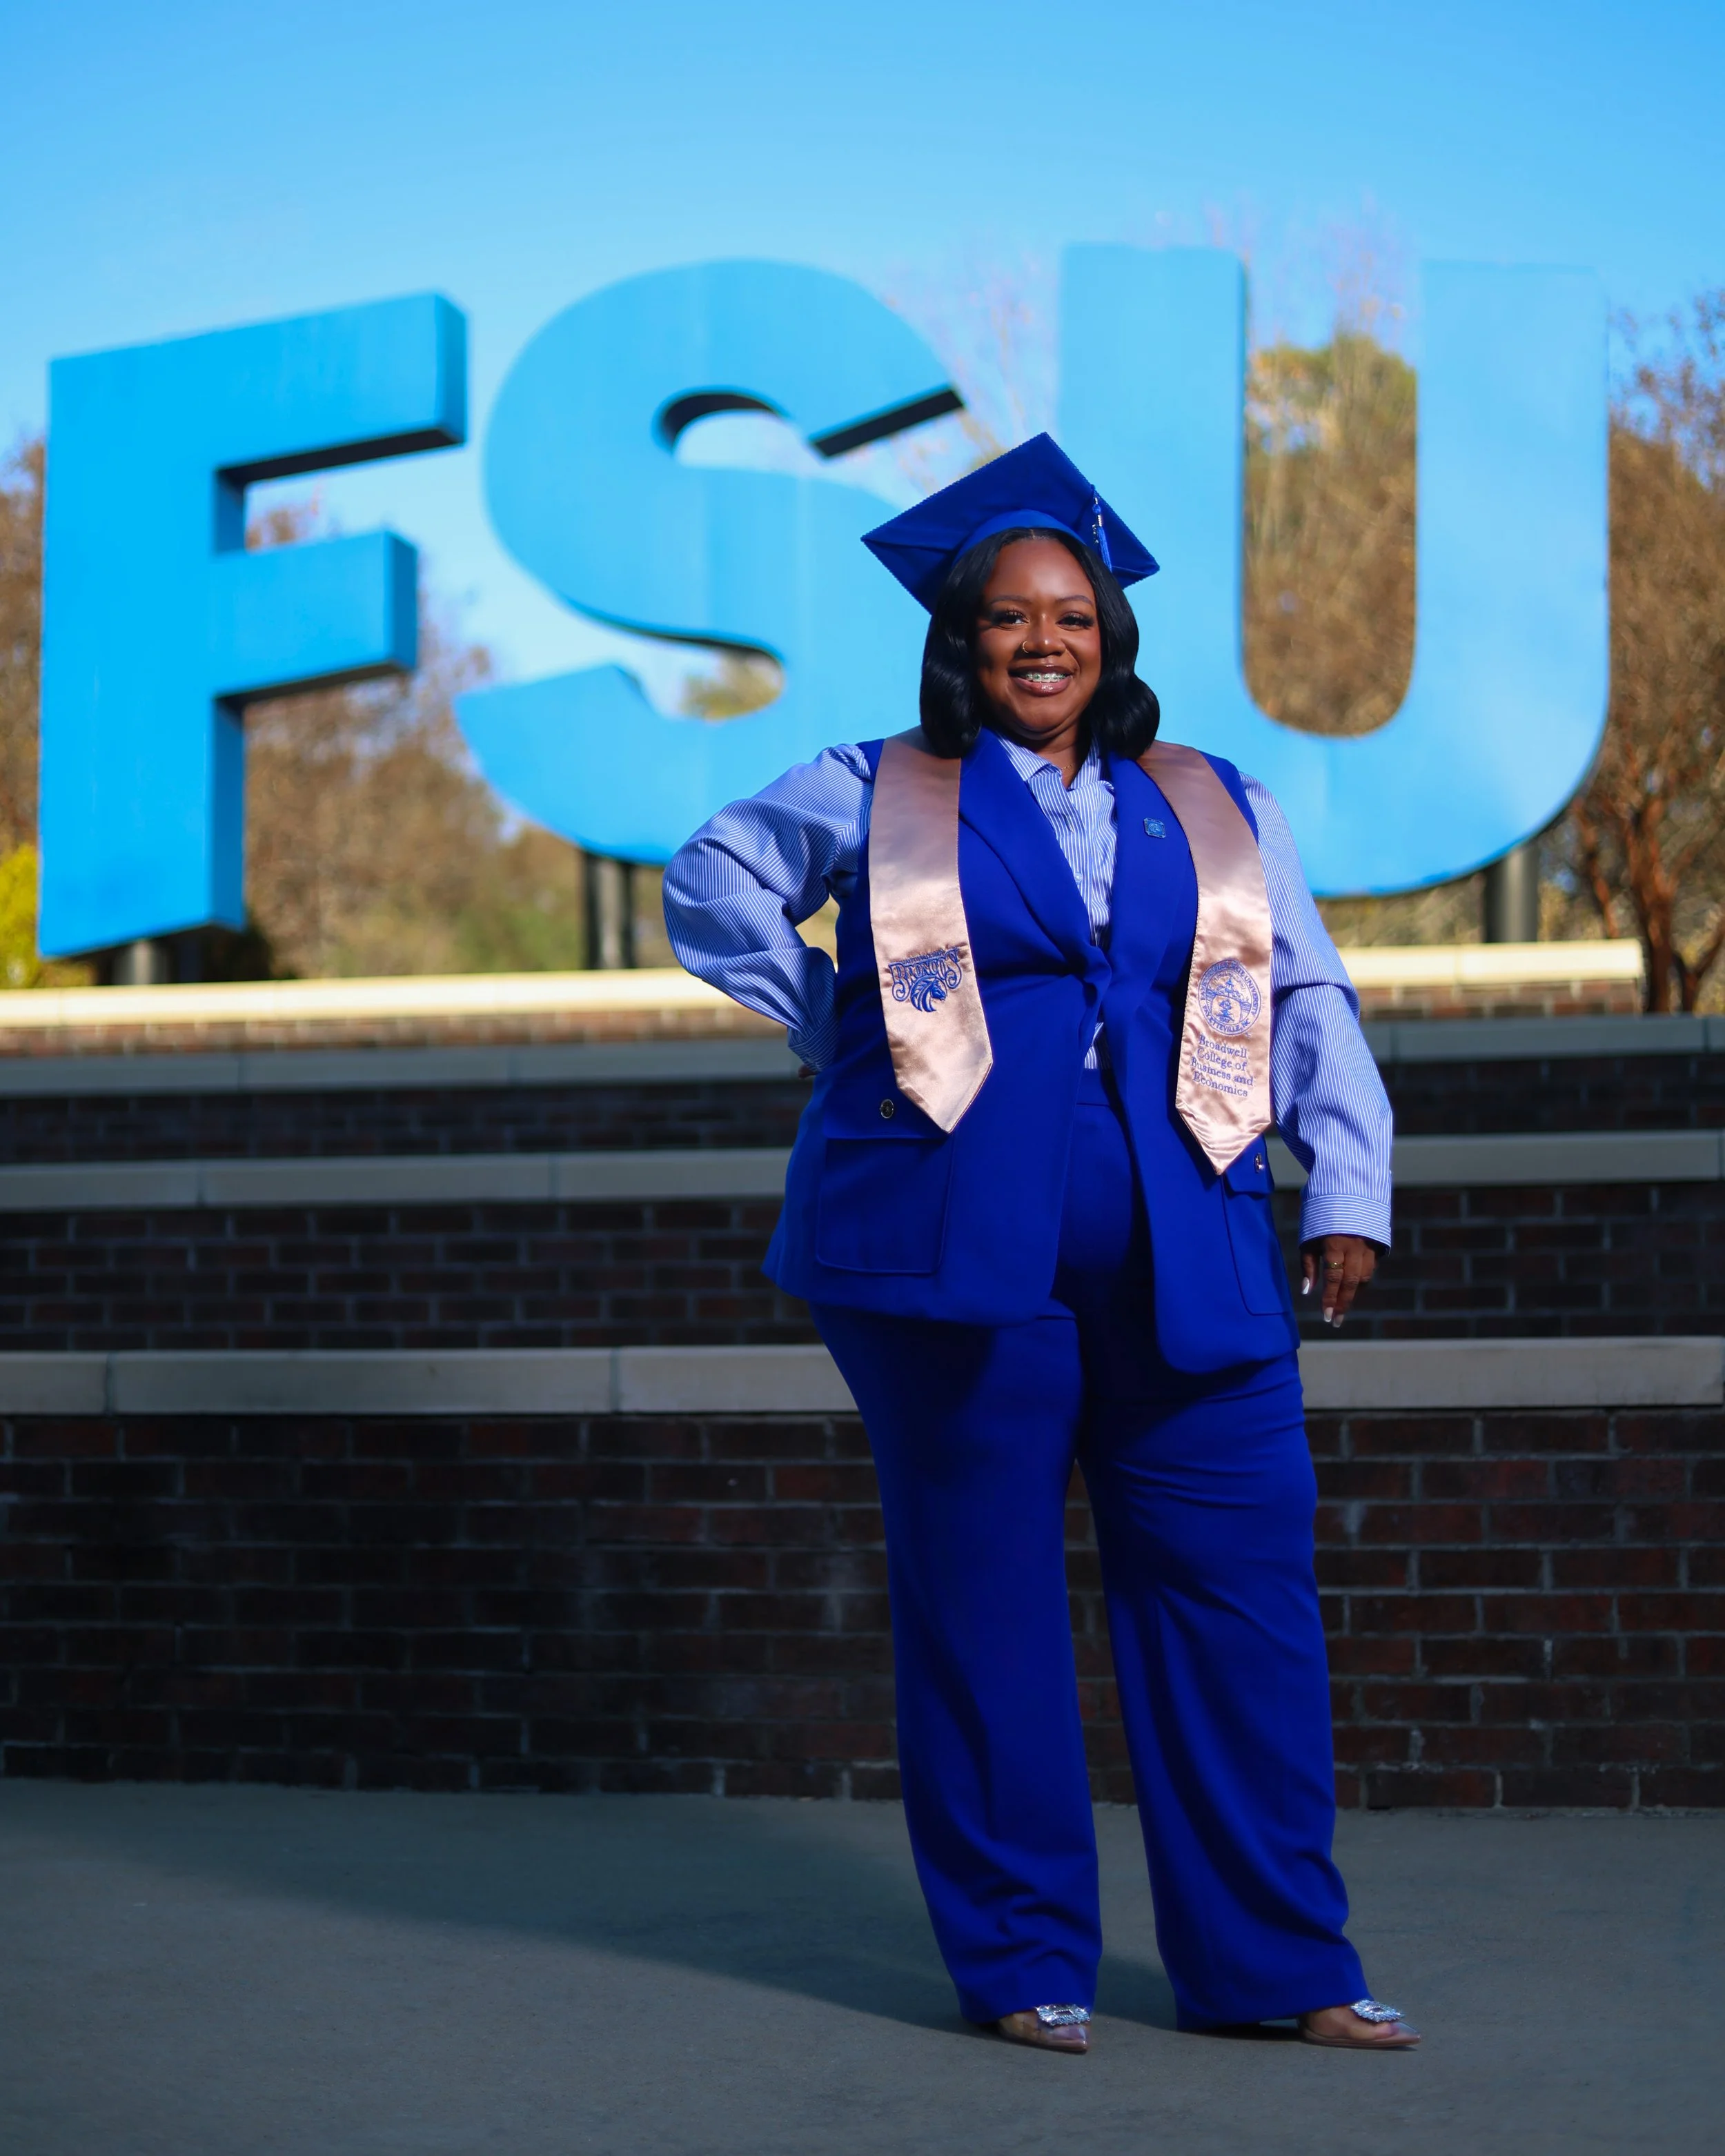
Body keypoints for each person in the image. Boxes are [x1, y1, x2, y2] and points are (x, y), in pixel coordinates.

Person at [662, 435, 1414, 2055]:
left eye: (1069, 614)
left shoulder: (1211, 802)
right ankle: (1021, 1959)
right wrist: (831, 1024)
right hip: (942, 1255)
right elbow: (711, 877)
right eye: (1008, 617)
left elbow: (1300, 994)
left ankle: (1277, 1960)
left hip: (1194, 1242)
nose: (1042, 640)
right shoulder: (881, 787)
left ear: (1110, 634)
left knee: (1241, 1600)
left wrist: (1345, 1185)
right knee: (986, 1603)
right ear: (961, 638)